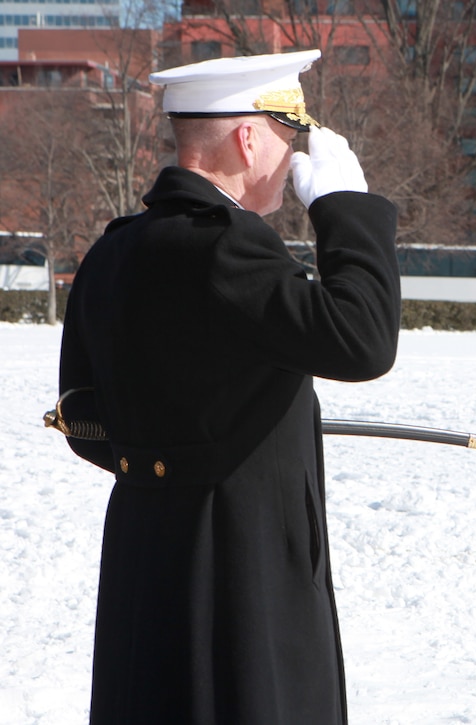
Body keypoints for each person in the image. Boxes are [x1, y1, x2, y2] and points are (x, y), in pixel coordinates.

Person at [56, 50, 401, 724]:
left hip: (146, 558)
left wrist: (176, 451)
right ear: (249, 138)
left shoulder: (114, 251)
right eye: (287, 135)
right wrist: (347, 212)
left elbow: (83, 416)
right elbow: (363, 338)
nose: (291, 156)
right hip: (238, 568)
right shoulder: (229, 249)